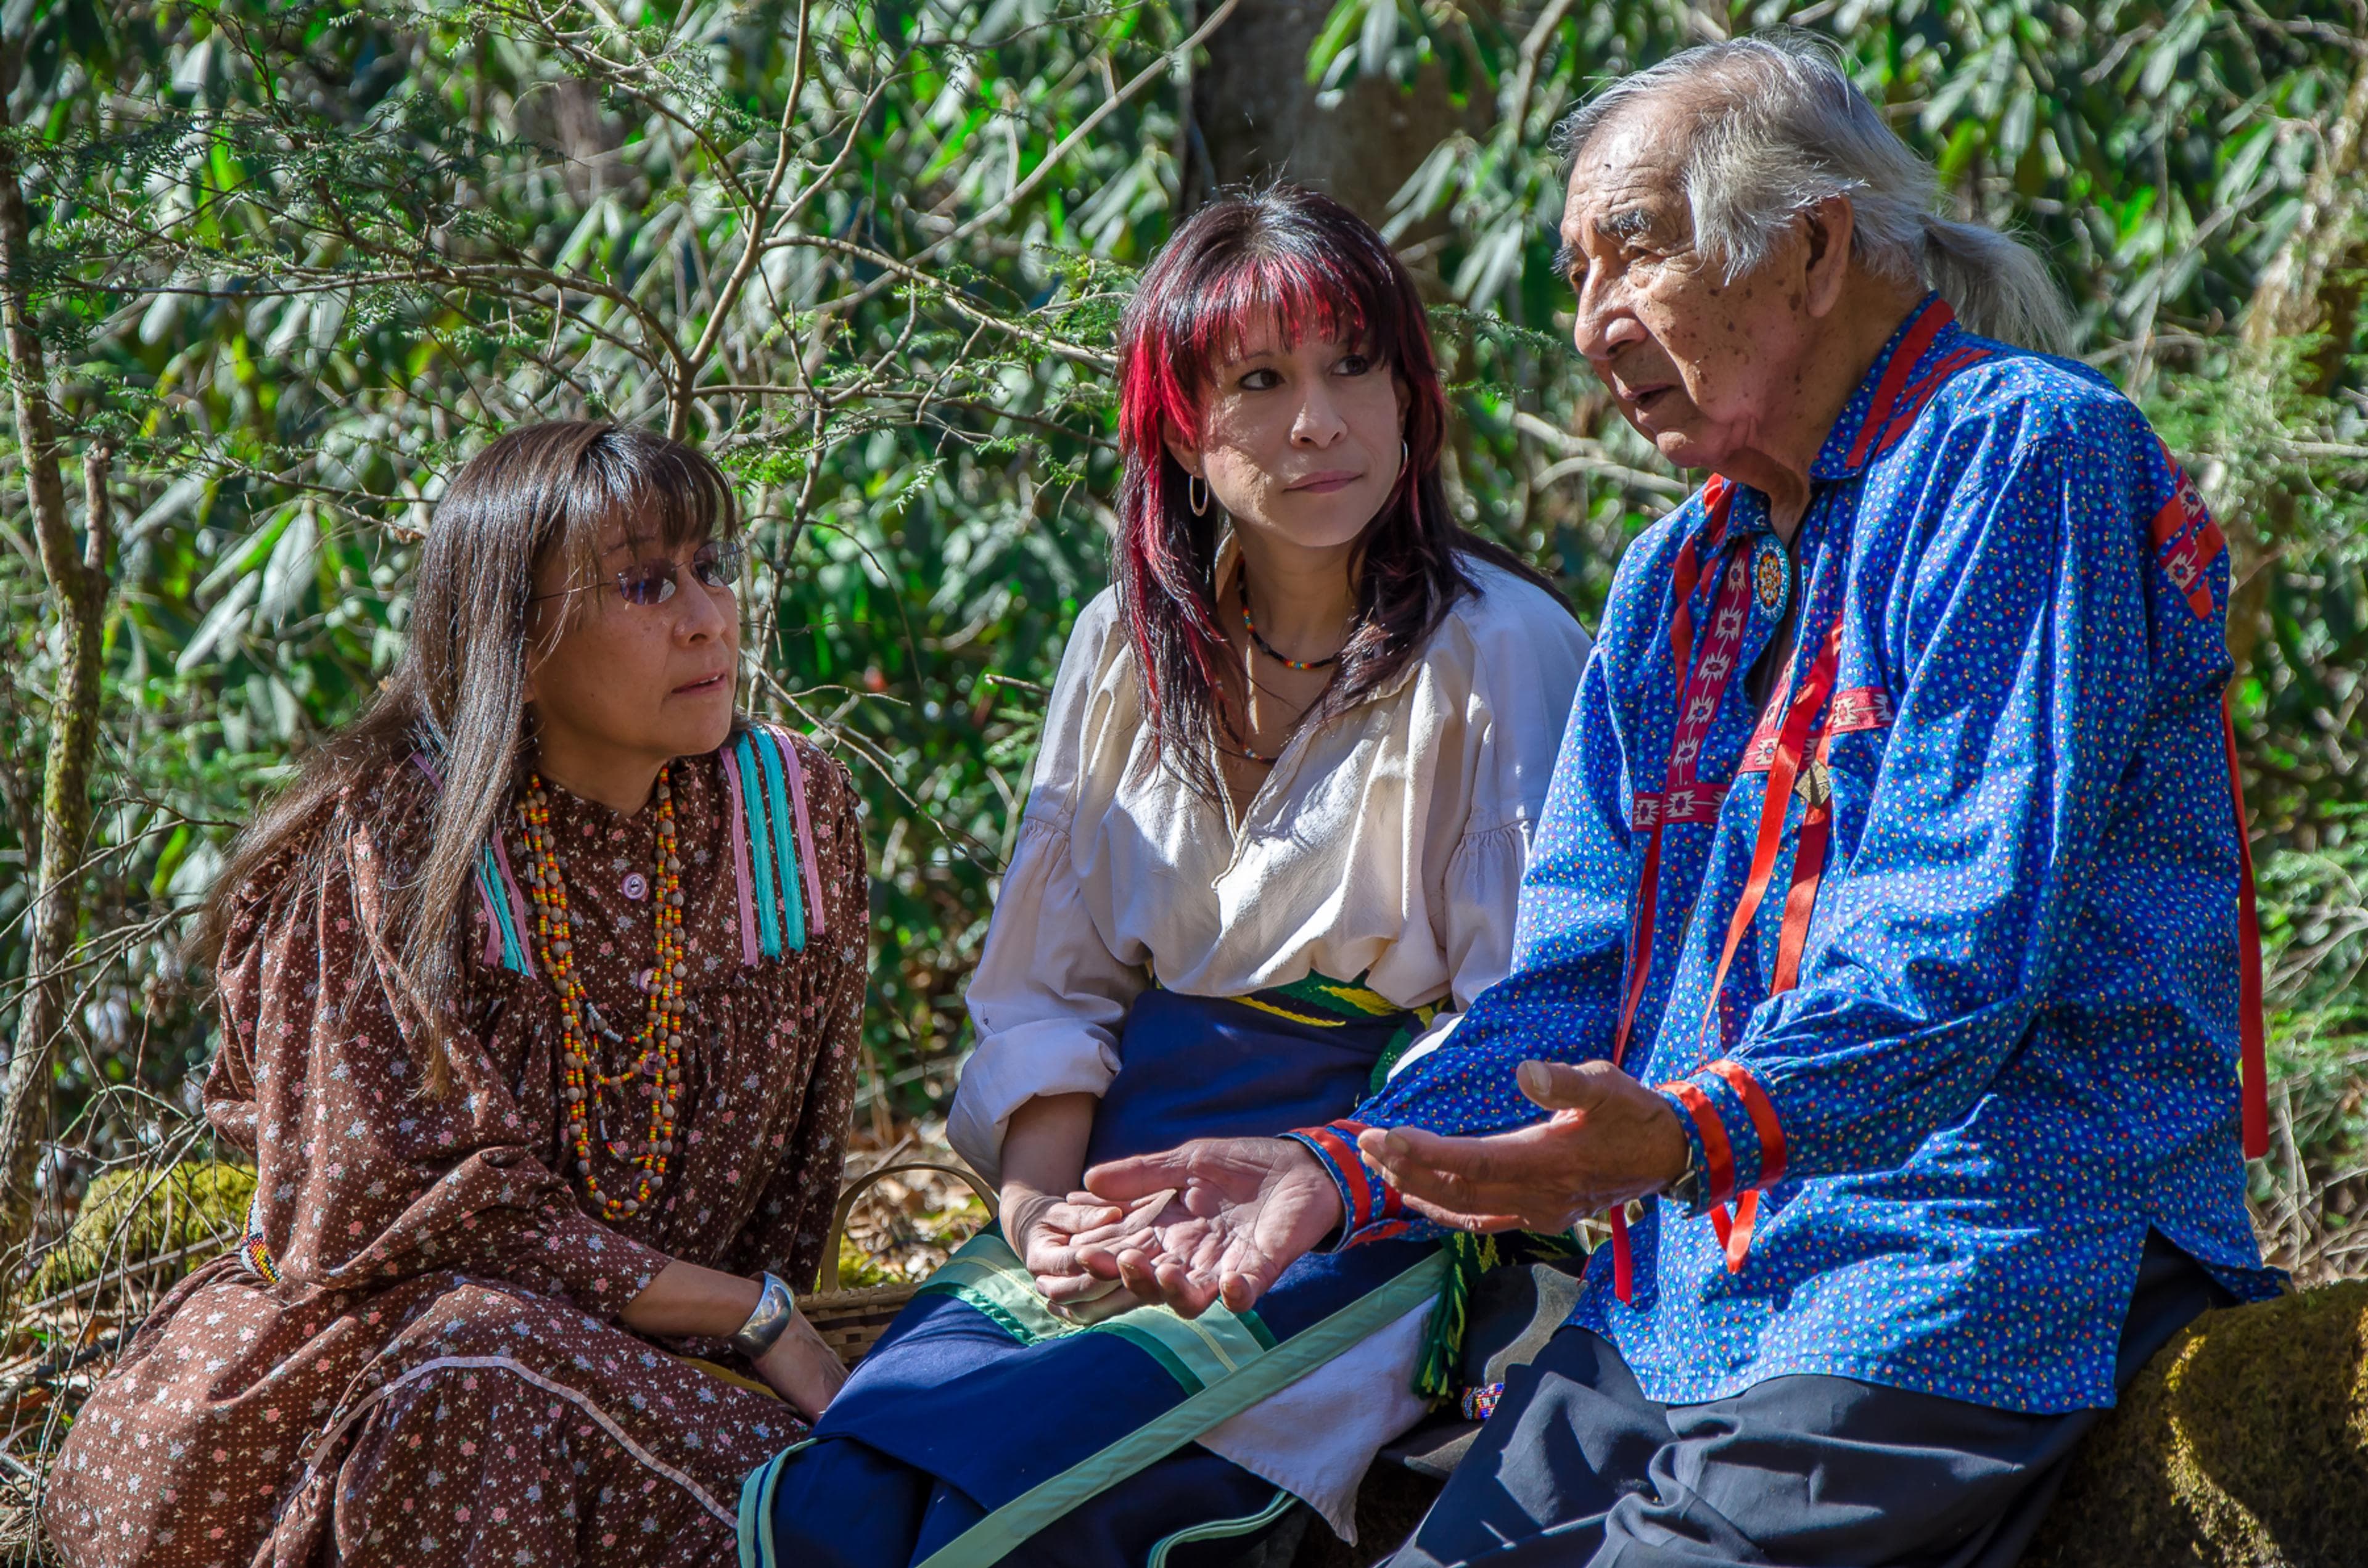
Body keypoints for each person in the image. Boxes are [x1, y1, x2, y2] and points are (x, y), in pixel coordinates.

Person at [1082, 34, 2284, 1568]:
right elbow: (1580, 978)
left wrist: (1680, 1137)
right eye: (1575, 275)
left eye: (1629, 253)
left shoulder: (2020, 454)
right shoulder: (1676, 574)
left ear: (1814, 245)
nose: (1592, 324)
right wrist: (1341, 1162)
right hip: (1697, 1288)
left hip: (1979, 1249)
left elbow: (1955, 950)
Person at [740, 187, 1593, 1566]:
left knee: (1027, 1520)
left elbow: (1531, 1019)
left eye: (1352, 367)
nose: (1320, 421)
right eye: (1260, 381)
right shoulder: (1123, 652)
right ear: (1181, 434)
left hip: (1364, 1190)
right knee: (852, 1498)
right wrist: (1039, 1216)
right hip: (1128, 1174)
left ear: (1411, 398)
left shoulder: (1501, 653)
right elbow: (1047, 984)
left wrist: (1326, 1180)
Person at [43, 423, 867, 1568]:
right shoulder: (388, 842)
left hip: (678, 1384)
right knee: (478, 1378)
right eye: (643, 583)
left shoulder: (796, 819)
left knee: (860, 1494)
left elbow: (805, 1154)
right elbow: (399, 1211)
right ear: (517, 637)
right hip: (374, 1360)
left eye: (710, 567)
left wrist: (755, 1329)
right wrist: (750, 1310)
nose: (705, 615)